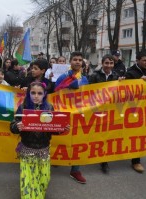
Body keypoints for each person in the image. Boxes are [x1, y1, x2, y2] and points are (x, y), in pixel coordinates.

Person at [10, 81, 70, 199]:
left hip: (44, 150)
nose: (36, 96)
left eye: (39, 93)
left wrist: (61, 128)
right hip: (27, 149)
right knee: (28, 181)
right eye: (33, 93)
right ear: (28, 94)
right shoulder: (23, 107)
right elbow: (13, 126)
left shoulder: (49, 107)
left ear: (44, 94)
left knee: (44, 179)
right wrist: (17, 126)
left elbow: (52, 129)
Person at [55, 51, 88, 184]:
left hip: (79, 113)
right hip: (64, 112)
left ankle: (75, 170)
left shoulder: (84, 79)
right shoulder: (62, 76)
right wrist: (68, 86)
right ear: (70, 61)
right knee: (61, 136)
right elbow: (55, 93)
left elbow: (89, 96)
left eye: (80, 60)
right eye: (75, 59)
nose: (77, 62)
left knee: (77, 141)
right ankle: (56, 159)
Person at [88, 54, 125, 173]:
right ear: (102, 63)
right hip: (97, 110)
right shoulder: (94, 76)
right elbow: (88, 93)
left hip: (111, 110)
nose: (109, 66)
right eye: (106, 63)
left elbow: (121, 93)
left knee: (107, 136)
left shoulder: (116, 76)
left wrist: (122, 83)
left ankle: (104, 162)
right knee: (97, 134)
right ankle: (92, 154)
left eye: (111, 63)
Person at [125, 51, 146, 173]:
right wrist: (139, 81)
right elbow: (125, 90)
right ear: (137, 61)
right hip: (132, 109)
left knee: (139, 134)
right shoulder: (130, 72)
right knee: (130, 133)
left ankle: (136, 161)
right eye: (144, 60)